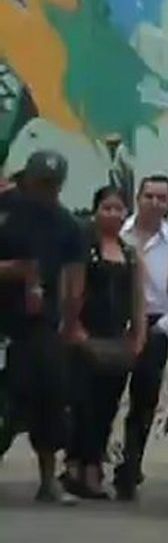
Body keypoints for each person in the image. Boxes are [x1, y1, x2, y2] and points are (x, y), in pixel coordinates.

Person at [0, 150, 85, 503]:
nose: (47, 190)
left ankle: (49, 480)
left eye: (54, 185)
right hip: (3, 317)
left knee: (51, 394)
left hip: (40, 322)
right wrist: (16, 271)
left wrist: (70, 320)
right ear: (27, 179)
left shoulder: (66, 223)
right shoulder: (5, 211)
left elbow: (75, 276)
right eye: (42, 183)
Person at [62, 186, 146, 499]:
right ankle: (75, 465)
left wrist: (138, 336)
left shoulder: (129, 253)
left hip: (115, 341)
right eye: (107, 208)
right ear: (96, 210)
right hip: (85, 338)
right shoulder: (84, 249)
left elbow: (138, 299)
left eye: (118, 209)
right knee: (81, 404)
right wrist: (74, 328)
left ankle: (94, 466)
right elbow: (72, 291)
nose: (112, 214)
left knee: (106, 406)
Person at [116, 174, 168, 501]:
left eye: (162, 198)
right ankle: (88, 463)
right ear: (138, 198)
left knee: (144, 401)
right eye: (149, 196)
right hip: (115, 323)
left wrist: (162, 327)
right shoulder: (118, 234)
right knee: (105, 397)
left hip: (156, 325)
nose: (155, 203)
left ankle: (131, 465)